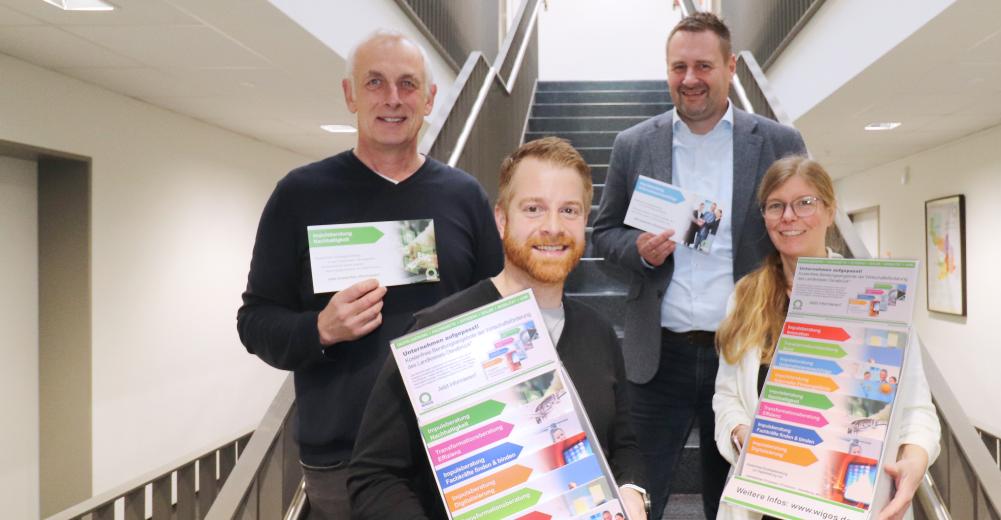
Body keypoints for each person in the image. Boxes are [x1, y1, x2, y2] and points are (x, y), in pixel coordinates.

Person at [236, 30, 503, 519]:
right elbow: (254, 321)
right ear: (350, 94)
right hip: (343, 461)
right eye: (376, 82)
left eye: (407, 84)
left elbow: (497, 311)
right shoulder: (300, 195)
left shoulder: (464, 197)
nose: (393, 99)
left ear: (429, 98)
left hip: (452, 451)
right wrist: (319, 329)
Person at [349, 138, 649, 520]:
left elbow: (623, 446)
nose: (553, 227)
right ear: (502, 219)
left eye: (569, 210)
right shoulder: (439, 331)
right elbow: (374, 475)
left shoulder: (598, 332)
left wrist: (632, 492)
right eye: (534, 208)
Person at [590, 12, 807, 520]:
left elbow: (803, 227)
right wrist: (639, 250)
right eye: (678, 67)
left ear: (730, 66)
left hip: (745, 357)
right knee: (639, 497)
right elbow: (603, 235)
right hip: (656, 357)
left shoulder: (778, 142)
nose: (689, 79)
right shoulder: (633, 144)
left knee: (737, 504)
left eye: (703, 66)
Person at [712, 156, 941, 520]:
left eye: (805, 203)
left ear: (831, 210)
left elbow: (915, 410)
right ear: (765, 217)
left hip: (848, 501)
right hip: (766, 501)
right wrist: (743, 434)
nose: (789, 216)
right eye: (776, 206)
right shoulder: (745, 297)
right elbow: (727, 397)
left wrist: (915, 460)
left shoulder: (877, 297)